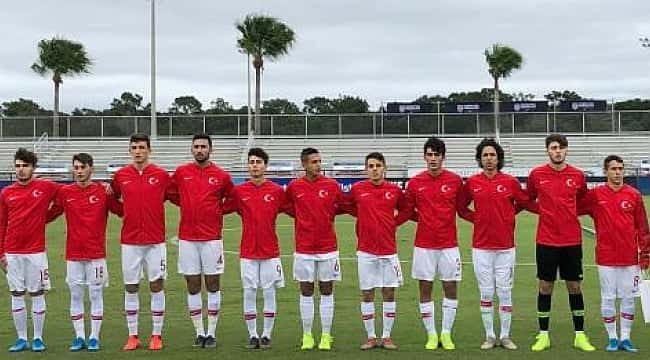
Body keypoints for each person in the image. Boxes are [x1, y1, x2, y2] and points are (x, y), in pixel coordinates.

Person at [524, 134, 595, 352]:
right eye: (554, 148)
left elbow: (584, 201)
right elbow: (527, 199)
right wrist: (544, 211)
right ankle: (543, 335)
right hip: (546, 240)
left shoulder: (577, 175)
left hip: (571, 240)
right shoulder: (536, 175)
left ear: (567, 150)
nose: (558, 151)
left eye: (562, 148)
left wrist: (571, 213)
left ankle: (580, 336)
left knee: (574, 286)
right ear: (547, 150)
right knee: (545, 287)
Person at [47, 153, 123, 352]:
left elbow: (121, 210)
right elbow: (50, 214)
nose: (79, 171)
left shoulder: (102, 191)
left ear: (91, 168)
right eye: (76, 168)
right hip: (73, 255)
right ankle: (79, 336)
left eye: (82, 167)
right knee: (76, 295)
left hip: (96, 254)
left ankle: (94, 337)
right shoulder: (66, 192)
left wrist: (116, 193)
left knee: (96, 295)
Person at [458, 138, 528, 350]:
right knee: (486, 292)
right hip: (481, 248)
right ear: (480, 158)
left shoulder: (510, 182)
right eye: (485, 155)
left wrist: (507, 217)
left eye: (493, 155)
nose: (489, 159)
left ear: (499, 159)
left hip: (505, 248)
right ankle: (489, 336)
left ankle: (505, 336)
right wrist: (476, 219)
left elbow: (523, 203)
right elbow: (461, 208)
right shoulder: (472, 183)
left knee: (505, 292)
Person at [167, 133, 233, 349]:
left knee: (213, 285)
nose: (199, 150)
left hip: (212, 238)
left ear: (210, 150)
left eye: (203, 146)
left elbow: (231, 198)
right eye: (196, 146)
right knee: (193, 286)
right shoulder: (181, 172)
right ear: (191, 149)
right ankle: (199, 332)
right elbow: (171, 193)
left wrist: (216, 211)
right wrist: (186, 204)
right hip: (187, 239)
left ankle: (211, 332)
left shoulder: (221, 175)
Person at [399, 136, 464, 351]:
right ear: (424, 157)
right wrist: (391, 224)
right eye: (429, 154)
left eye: (437, 154)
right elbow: (407, 212)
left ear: (443, 157)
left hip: (449, 245)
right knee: (425, 288)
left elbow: (462, 209)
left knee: (450, 287)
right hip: (424, 246)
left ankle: (446, 333)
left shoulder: (455, 181)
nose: (433, 158)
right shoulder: (416, 182)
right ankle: (431, 334)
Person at [580, 155, 650, 352]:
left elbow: (643, 227)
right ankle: (612, 338)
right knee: (608, 298)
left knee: (628, 298)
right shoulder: (596, 195)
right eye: (613, 169)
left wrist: (645, 253)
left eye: (620, 168)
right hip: (606, 258)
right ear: (605, 172)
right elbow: (573, 208)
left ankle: (626, 338)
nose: (618, 172)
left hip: (630, 258)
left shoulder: (634, 195)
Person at [111, 133, 172, 351]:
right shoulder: (120, 176)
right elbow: (113, 200)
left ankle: (156, 335)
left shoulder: (161, 175)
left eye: (142, 147)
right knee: (131, 287)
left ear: (149, 150)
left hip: (155, 241)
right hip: (130, 241)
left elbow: (170, 196)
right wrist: (124, 214)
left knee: (156, 285)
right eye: (134, 147)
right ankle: (133, 335)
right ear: (130, 150)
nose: (138, 151)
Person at [223, 148, 287, 350]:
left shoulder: (277, 191)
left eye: (258, 162)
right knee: (249, 292)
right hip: (248, 251)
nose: (255, 165)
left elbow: (295, 210)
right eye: (251, 162)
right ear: (248, 166)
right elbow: (220, 208)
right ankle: (253, 335)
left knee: (269, 292)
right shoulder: (239, 191)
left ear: (265, 166)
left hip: (270, 251)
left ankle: (266, 335)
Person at [344, 152, 407, 351]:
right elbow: (347, 205)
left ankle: (386, 337)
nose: (374, 169)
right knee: (367, 293)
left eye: (378, 165)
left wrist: (392, 223)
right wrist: (362, 217)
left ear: (384, 168)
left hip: (389, 250)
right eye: (370, 166)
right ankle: (371, 336)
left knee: (389, 292)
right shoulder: (358, 189)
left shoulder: (394, 190)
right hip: (366, 250)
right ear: (366, 169)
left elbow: (406, 210)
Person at [286, 147, 346, 351]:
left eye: (319, 161)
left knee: (327, 290)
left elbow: (342, 206)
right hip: (304, 248)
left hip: (328, 247)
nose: (318, 165)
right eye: (313, 162)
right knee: (306, 290)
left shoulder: (332, 185)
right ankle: (307, 335)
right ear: (304, 164)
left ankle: (326, 335)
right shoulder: (294, 187)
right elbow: (287, 207)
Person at [0, 148, 59, 352]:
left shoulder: (45, 187)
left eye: (25, 165)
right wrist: (1, 253)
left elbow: (66, 197)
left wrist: (45, 218)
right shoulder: (6, 192)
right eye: (18, 166)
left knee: (36, 293)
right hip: (12, 252)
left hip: (35, 252)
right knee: (16, 294)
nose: (21, 170)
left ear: (33, 167)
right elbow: (1, 224)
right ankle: (21, 338)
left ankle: (37, 338)